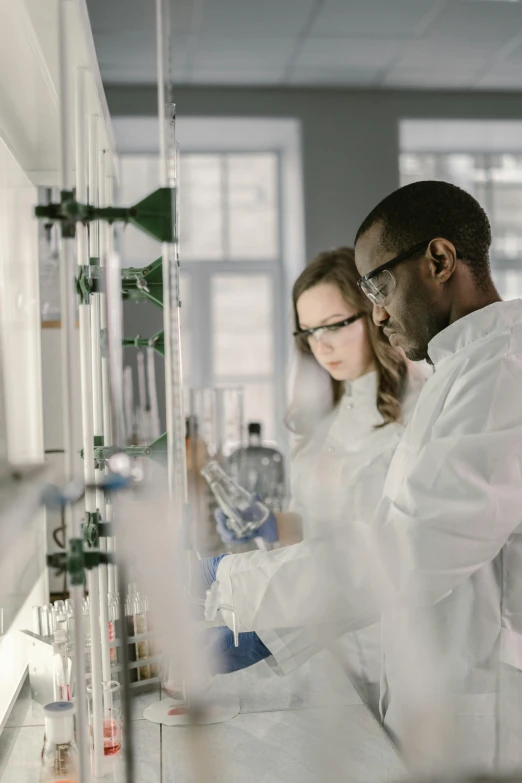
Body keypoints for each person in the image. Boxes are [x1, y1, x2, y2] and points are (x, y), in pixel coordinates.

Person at [200, 180, 522, 773]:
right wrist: (267, 625)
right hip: (434, 694)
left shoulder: (499, 373)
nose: (377, 312)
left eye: (377, 286)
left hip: (481, 715)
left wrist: (235, 584)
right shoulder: (463, 368)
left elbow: (409, 552)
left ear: (440, 260)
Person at [212, 247, 426, 715]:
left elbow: (384, 553)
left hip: (388, 649)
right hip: (323, 647)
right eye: (308, 331)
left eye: (334, 324)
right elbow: (325, 527)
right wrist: (273, 524)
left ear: (373, 312)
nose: (320, 345)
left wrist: (267, 632)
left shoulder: (419, 412)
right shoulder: (326, 413)